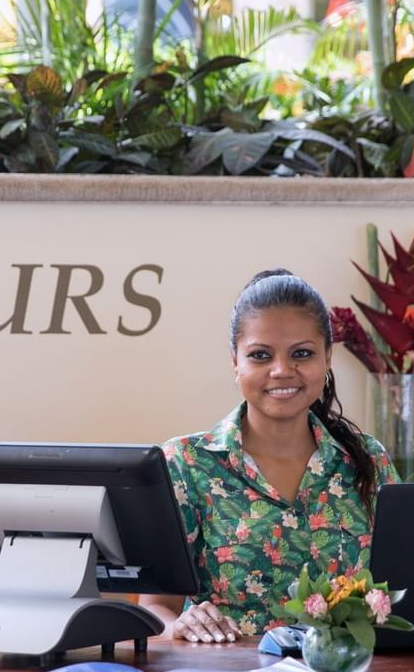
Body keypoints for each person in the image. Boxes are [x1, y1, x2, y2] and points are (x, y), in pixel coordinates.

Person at [143, 269, 399, 643]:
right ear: (235, 361)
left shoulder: (367, 459)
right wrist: (182, 626)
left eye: (302, 354)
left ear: (327, 357)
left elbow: (404, 590)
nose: (282, 370)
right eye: (260, 355)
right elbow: (153, 609)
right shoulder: (185, 464)